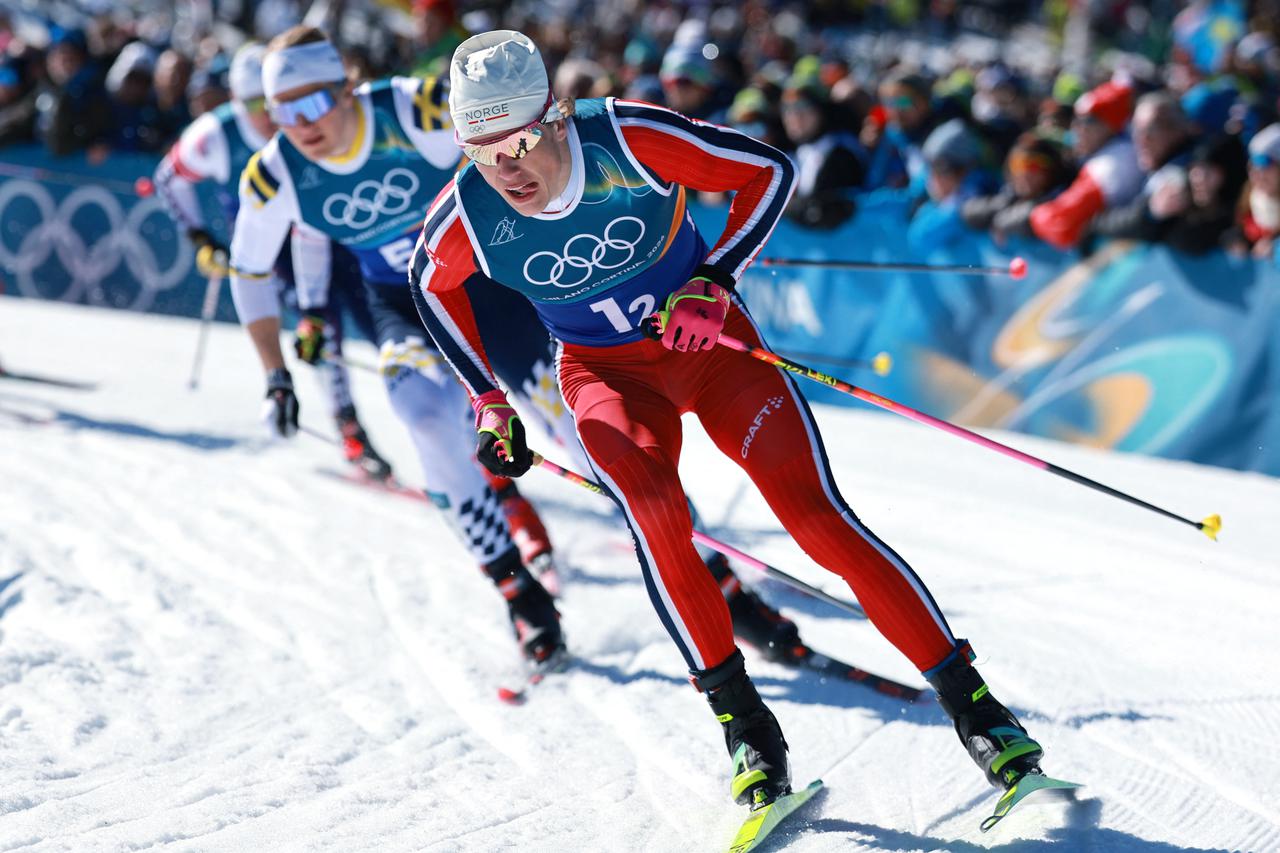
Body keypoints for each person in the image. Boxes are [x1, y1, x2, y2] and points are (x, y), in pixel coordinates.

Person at [411, 29, 1045, 810]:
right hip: (606, 374)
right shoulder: (470, 211)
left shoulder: (628, 139)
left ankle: (979, 712)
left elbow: (769, 172)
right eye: (480, 150)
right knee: (655, 516)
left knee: (815, 517)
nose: (504, 168)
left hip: (712, 349)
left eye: (515, 142)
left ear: (554, 117)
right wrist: (488, 399)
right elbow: (430, 282)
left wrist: (714, 279)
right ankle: (747, 731)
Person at [153, 43, 393, 482]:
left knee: (379, 317)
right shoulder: (215, 134)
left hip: (329, 230)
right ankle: (349, 426)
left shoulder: (303, 126)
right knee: (321, 325)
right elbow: (169, 179)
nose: (266, 116)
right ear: (234, 101)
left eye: (272, 103)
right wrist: (200, 238)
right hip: (273, 251)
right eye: (252, 106)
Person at [1029, 80, 1143, 249]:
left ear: (1110, 125)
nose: (1076, 128)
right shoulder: (1122, 150)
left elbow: (1061, 225)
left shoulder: (1108, 166)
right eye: (1076, 119)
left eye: (1087, 121)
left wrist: (1032, 214)